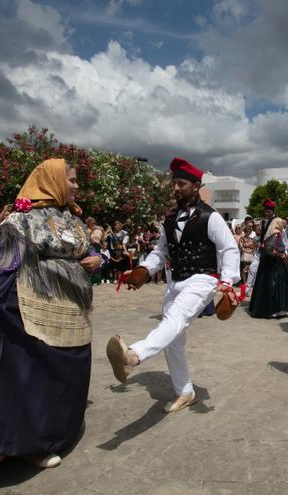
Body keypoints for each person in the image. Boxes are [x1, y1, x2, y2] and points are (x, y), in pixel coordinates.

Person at [0, 158, 101, 469]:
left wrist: (95, 258)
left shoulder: (74, 220)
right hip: (34, 306)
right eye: (73, 180)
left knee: (69, 371)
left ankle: (56, 432)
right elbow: (0, 259)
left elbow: (82, 251)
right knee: (34, 374)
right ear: (52, 181)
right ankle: (25, 443)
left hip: (71, 311)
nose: (77, 186)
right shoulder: (22, 220)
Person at [106, 158, 240, 413]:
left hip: (203, 279)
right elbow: (160, 251)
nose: (176, 188)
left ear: (196, 185)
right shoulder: (169, 220)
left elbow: (229, 248)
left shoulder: (211, 217)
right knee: (174, 340)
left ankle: (133, 355)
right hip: (175, 281)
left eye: (181, 184)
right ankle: (185, 392)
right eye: (174, 184)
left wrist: (227, 281)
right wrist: (145, 269)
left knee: (174, 319)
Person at [248, 200, 288, 319]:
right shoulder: (264, 222)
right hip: (266, 256)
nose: (267, 213)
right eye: (265, 211)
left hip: (276, 258)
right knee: (265, 282)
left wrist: (284, 253)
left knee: (277, 283)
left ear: (273, 211)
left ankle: (278, 309)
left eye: (269, 211)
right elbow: (262, 239)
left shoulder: (277, 222)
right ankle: (266, 309)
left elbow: (283, 239)